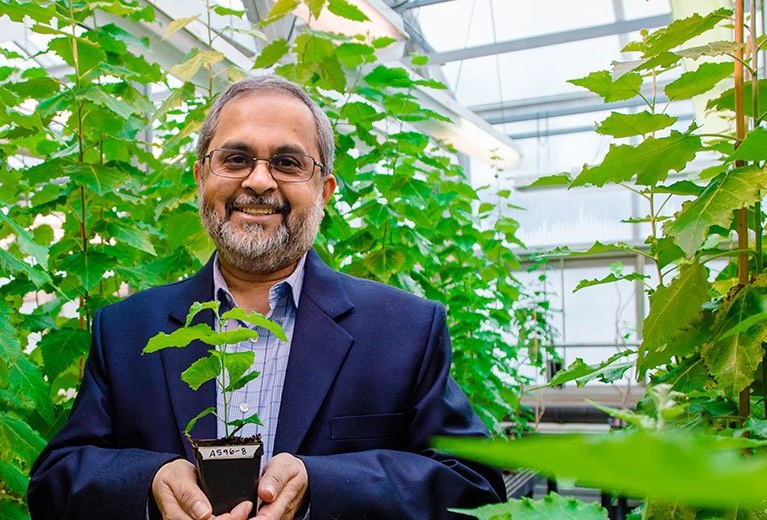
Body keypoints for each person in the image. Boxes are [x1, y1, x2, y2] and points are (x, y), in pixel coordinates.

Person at [27, 74, 505, 520]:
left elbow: (475, 487)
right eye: (235, 159)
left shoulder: (403, 329)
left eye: (288, 162)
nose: (258, 181)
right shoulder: (128, 329)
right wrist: (148, 482)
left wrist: (322, 483)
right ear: (200, 177)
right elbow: (54, 480)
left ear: (325, 191)